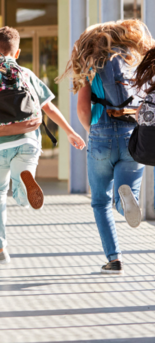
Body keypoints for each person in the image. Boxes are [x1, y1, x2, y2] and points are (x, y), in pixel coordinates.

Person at [0, 27, 85, 265]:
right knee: (21, 196)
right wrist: (71, 132)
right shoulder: (25, 73)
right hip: (28, 139)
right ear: (18, 52)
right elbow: (49, 108)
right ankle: (24, 184)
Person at [59, 19, 152, 275]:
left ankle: (114, 258)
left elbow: (82, 107)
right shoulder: (135, 62)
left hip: (102, 131)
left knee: (100, 201)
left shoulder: (92, 64)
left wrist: (92, 131)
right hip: (133, 135)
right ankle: (125, 203)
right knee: (125, 191)